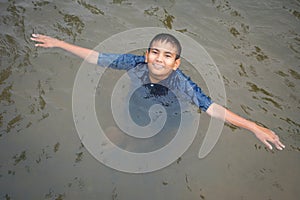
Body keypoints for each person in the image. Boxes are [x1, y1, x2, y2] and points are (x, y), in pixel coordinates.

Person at [30, 33, 285, 151]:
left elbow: (214, 109)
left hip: (169, 118)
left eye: (167, 56)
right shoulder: (135, 64)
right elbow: (97, 58)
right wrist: (59, 43)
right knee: (112, 138)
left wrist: (253, 126)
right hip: (136, 106)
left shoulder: (182, 83)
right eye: (154, 52)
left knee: (150, 144)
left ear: (176, 63)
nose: (159, 59)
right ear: (146, 55)